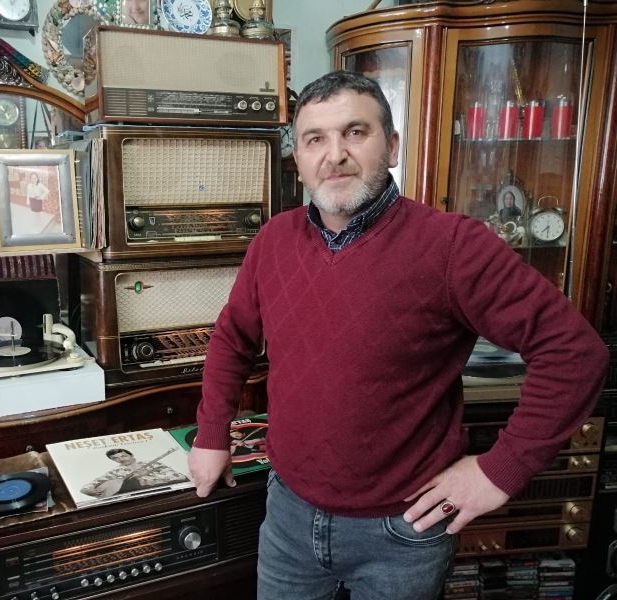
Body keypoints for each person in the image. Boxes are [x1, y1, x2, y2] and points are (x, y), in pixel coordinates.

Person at [188, 70, 608, 600]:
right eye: (315, 139)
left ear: (392, 146)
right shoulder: (273, 241)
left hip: (403, 531)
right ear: (298, 159)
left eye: (355, 132)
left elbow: (575, 354)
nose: (335, 155)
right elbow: (232, 339)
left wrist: (498, 471)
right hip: (288, 515)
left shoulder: (453, 246)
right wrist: (211, 434)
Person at [79, 448, 189, 498]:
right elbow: (92, 484)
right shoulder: (115, 471)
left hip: (165, 494)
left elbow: (180, 477)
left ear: (131, 455)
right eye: (115, 458)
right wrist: (88, 490)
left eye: (124, 456)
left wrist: (146, 477)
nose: (121, 459)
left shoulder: (153, 464)